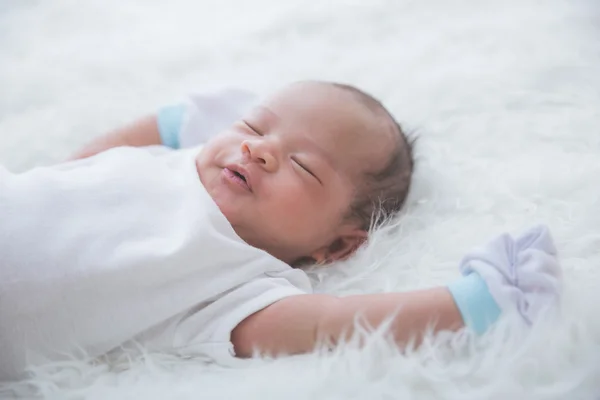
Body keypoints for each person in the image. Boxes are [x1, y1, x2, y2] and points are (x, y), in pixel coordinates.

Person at [0, 81, 561, 381]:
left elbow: (333, 325)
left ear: (337, 245)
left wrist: (468, 305)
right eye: (253, 124)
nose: (260, 149)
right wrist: (171, 126)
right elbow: (77, 170)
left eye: (304, 166)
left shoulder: (239, 280)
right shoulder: (184, 160)